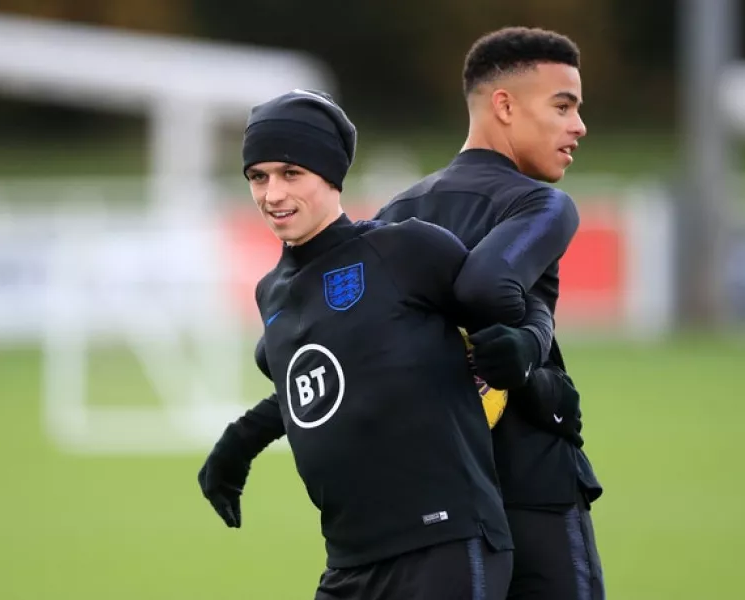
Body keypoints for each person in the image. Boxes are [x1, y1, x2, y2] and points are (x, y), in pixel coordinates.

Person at [197, 89, 555, 599]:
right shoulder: (270, 293)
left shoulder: (404, 249)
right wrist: (239, 443)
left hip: (446, 544)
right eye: (258, 176)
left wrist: (529, 347)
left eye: (290, 173)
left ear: (330, 175)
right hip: (349, 564)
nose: (272, 193)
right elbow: (333, 377)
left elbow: (525, 305)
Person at [375, 27, 605, 600]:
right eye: (563, 106)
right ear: (504, 105)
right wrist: (533, 357)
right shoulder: (540, 203)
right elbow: (487, 289)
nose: (578, 126)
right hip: (530, 485)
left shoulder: (388, 217)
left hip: (426, 499)